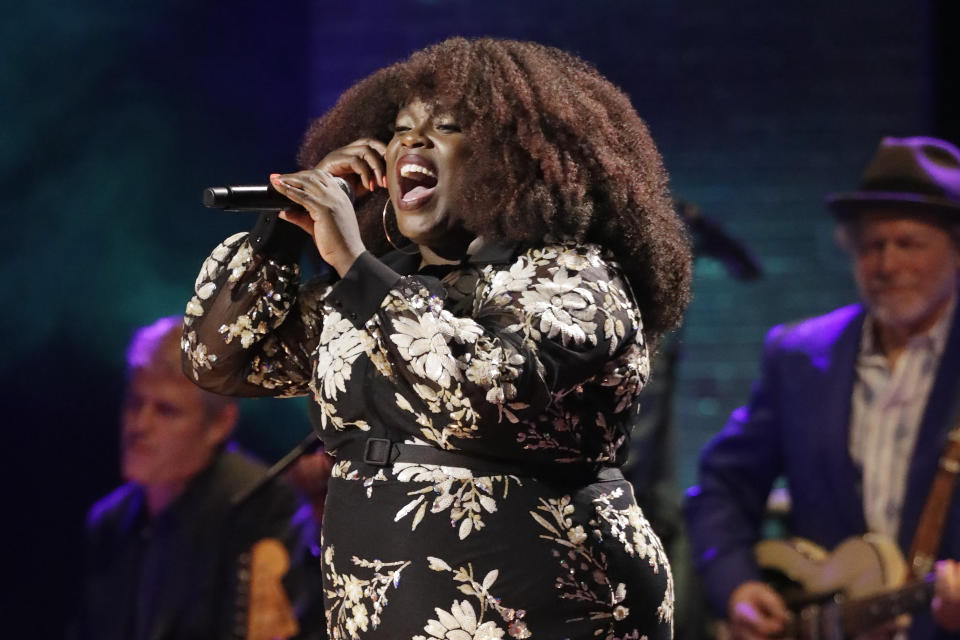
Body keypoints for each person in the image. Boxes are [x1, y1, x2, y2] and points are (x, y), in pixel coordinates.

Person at [181, 37, 692, 640]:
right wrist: (284, 235)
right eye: (400, 129)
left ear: (513, 158)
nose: (411, 143)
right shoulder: (379, 285)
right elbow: (215, 360)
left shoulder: (573, 274)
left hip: (543, 612)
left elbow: (486, 393)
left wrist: (352, 262)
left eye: (444, 127)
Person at [683, 136, 960, 640]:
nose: (887, 264)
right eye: (872, 245)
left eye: (909, 244)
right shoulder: (800, 354)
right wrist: (738, 586)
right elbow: (721, 487)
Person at [76, 316, 325, 640]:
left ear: (221, 423)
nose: (139, 425)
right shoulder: (110, 522)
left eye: (166, 410)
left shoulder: (265, 508)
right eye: (135, 403)